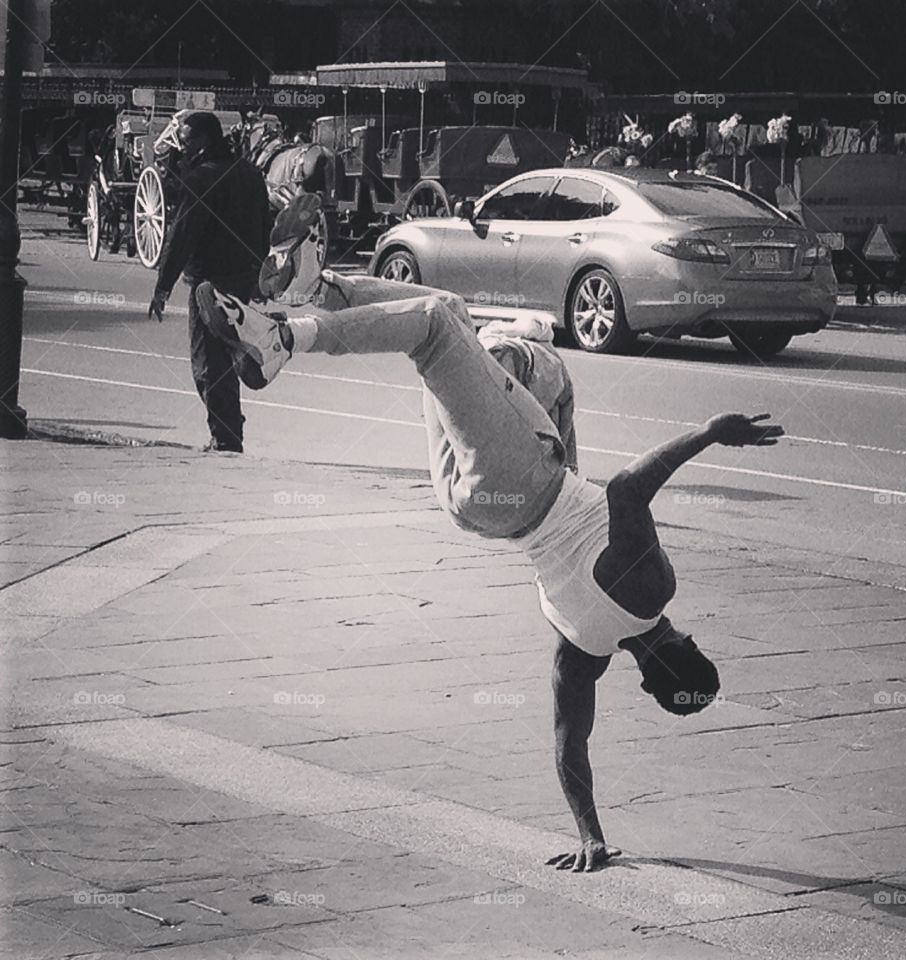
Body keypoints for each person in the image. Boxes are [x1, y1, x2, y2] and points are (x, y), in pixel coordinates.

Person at [194, 267, 784, 873]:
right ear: (646, 683)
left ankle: (281, 338)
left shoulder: (653, 589)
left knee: (433, 326)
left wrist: (708, 434)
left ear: (689, 642)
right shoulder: (583, 654)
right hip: (473, 510)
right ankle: (317, 290)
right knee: (446, 317)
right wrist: (590, 835)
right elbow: (569, 744)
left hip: (521, 474)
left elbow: (629, 490)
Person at [148, 111, 271, 453]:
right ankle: (230, 427)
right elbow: (265, 227)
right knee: (227, 356)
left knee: (208, 362)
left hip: (209, 285)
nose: (182, 148)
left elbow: (181, 236)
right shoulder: (250, 173)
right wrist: (259, 275)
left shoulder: (201, 179)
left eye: (186, 141)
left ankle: (226, 436)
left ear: (203, 141)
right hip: (243, 280)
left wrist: (163, 286)